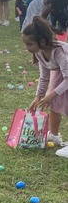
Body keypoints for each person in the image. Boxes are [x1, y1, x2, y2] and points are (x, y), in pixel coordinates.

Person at [24, 16, 68, 158]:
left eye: (29, 44)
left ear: (42, 41)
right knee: (54, 104)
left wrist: (51, 95)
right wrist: (38, 96)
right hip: (61, 74)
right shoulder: (40, 52)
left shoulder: (60, 52)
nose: (27, 48)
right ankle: (53, 135)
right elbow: (44, 77)